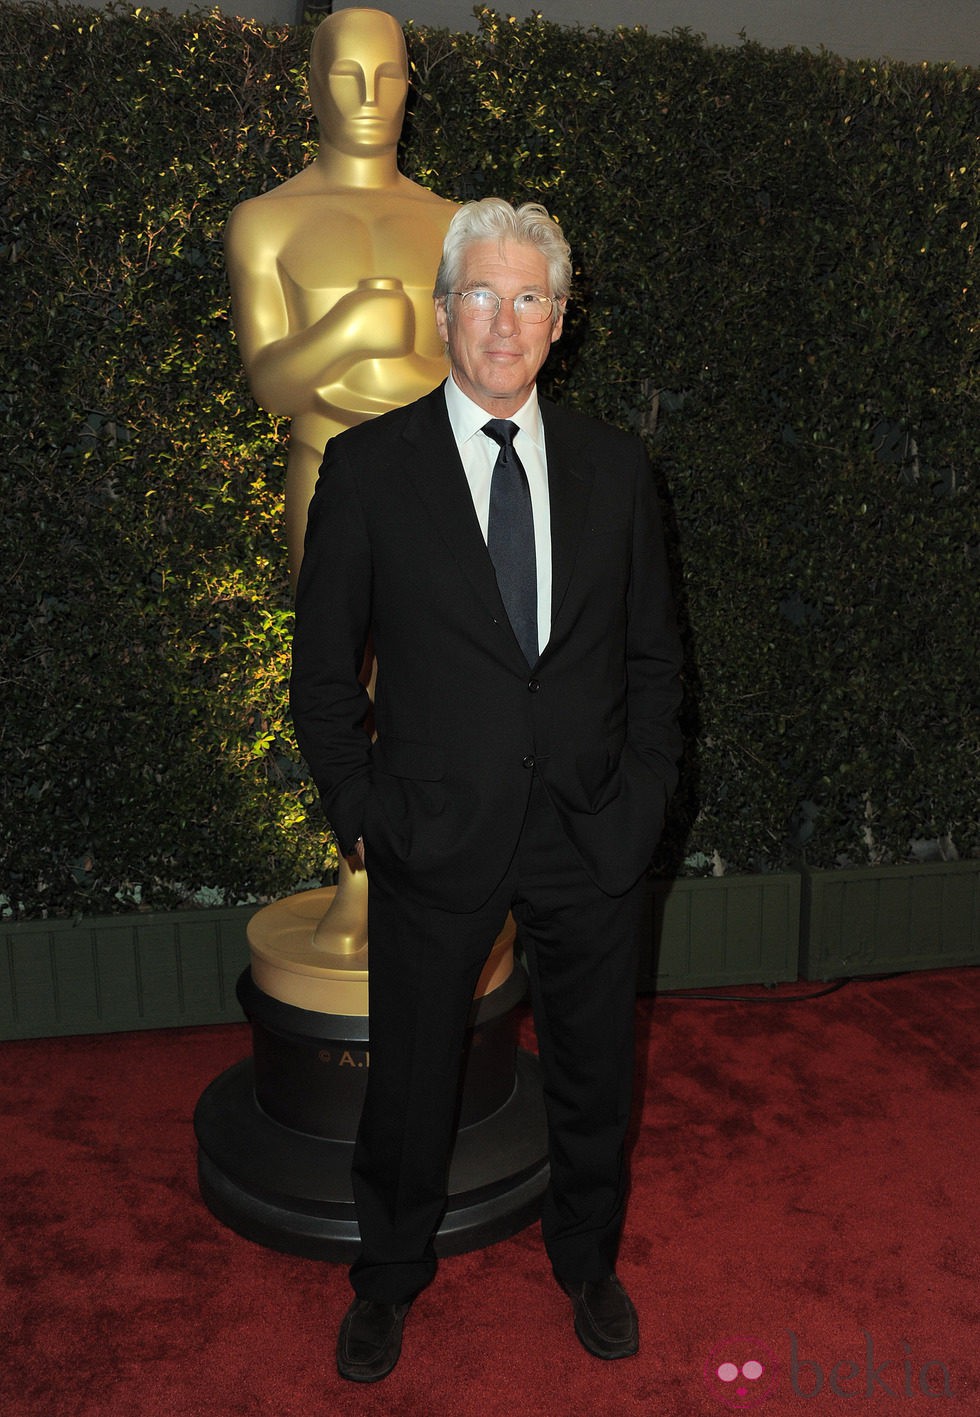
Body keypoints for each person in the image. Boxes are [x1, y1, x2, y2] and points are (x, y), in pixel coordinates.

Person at [290, 197, 684, 1382]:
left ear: (558, 322)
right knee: (409, 1073)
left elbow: (658, 665)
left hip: (587, 834)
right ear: (441, 309)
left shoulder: (617, 471)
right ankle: (388, 1274)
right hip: (431, 833)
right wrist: (362, 815)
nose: (501, 321)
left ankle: (587, 1259)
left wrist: (637, 810)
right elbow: (319, 673)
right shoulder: (367, 470)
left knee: (591, 1067)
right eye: (480, 294)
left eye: (527, 299)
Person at [224, 8, 457, 593]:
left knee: (443, 666)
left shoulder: (456, 224)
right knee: (338, 665)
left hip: (442, 474)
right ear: (312, 84)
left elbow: (486, 377)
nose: (370, 96)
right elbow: (272, 387)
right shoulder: (264, 222)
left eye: (388, 75)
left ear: (409, 83)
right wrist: (347, 332)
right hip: (325, 467)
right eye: (347, 75)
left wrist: (402, 366)